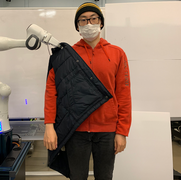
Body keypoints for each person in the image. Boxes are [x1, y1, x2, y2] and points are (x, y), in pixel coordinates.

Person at [43, 2, 131, 180]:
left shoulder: (117, 54)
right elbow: (52, 92)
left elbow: (123, 93)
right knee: (77, 177)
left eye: (93, 19)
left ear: (101, 22)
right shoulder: (65, 56)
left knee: (105, 177)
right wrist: (49, 126)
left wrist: (122, 131)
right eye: (83, 20)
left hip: (107, 130)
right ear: (77, 26)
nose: (89, 23)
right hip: (77, 129)